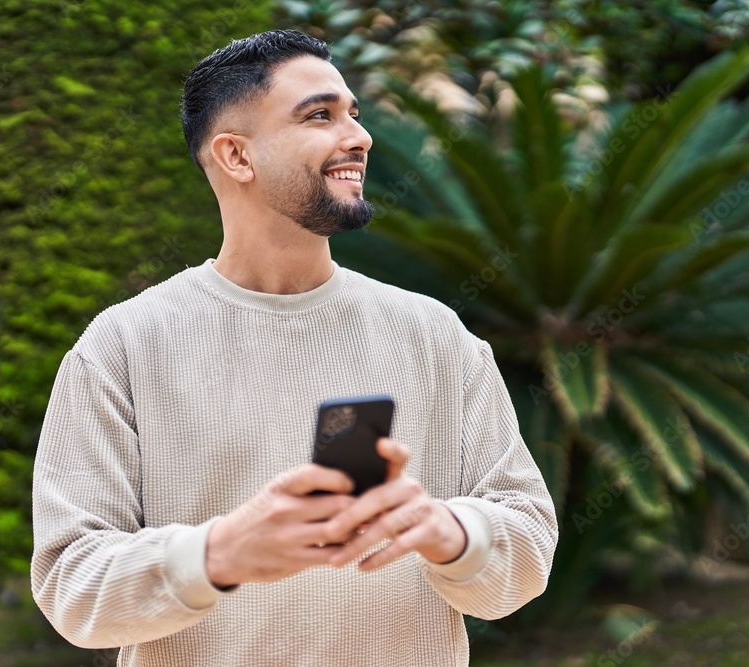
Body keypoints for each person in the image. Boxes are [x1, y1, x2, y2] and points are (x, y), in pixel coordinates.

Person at [30, 28, 557, 667]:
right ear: (236, 156)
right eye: (319, 116)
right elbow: (71, 589)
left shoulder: (433, 335)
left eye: (354, 115)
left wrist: (453, 533)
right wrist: (219, 554)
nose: (359, 137)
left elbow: (528, 544)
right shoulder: (121, 348)